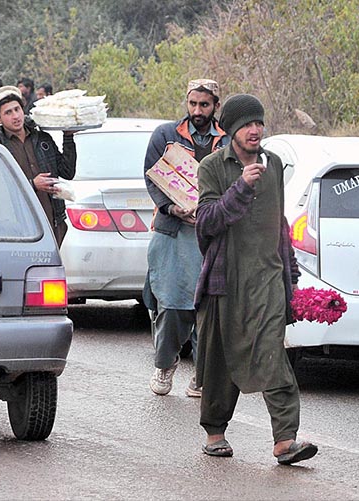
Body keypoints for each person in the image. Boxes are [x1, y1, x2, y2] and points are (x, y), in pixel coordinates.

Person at [194, 94, 318, 465]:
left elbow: (279, 223)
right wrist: (241, 187)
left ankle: (285, 440)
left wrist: (291, 276)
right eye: (247, 124)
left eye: (259, 123)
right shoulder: (212, 167)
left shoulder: (274, 164)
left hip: (267, 279)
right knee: (221, 358)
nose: (255, 130)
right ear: (231, 128)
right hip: (226, 280)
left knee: (272, 355)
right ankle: (215, 432)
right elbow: (206, 223)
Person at [143, 78, 229, 398]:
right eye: (192, 104)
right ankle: (165, 364)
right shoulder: (165, 135)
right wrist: (172, 208)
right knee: (172, 303)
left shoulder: (227, 141)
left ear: (215, 106)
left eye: (204, 105)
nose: (197, 110)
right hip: (173, 231)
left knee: (209, 309)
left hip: (213, 234)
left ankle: (202, 375)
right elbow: (153, 176)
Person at [0, 85, 76, 246]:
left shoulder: (42, 138)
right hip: (17, 228)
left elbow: (67, 172)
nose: (15, 116)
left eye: (17, 109)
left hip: (52, 222)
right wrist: (32, 184)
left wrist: (68, 137)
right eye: (8, 112)